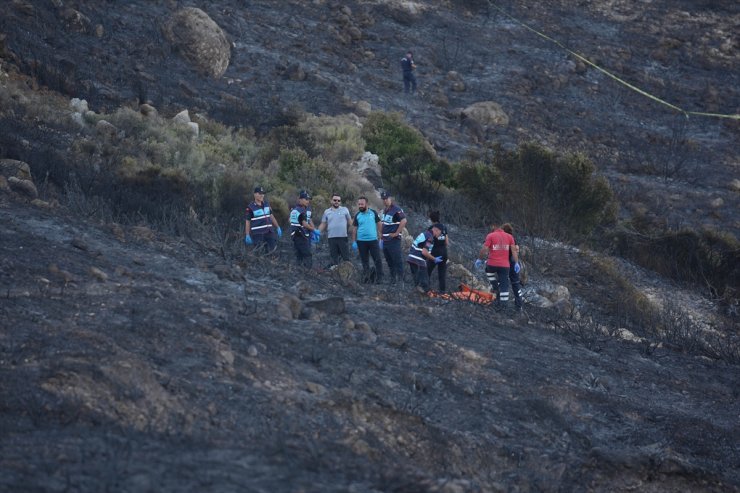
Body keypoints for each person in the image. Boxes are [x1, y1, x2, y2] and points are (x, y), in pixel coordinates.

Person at [475, 223, 520, 311]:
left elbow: (484, 249)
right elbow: (514, 251)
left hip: (492, 264)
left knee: (489, 271)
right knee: (504, 285)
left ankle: (495, 286)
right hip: (504, 266)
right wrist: (516, 262)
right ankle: (503, 307)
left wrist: (479, 259)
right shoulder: (509, 237)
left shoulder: (490, 235)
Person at [351, 196, 384, 283]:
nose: (360, 206)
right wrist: (354, 241)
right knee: (364, 260)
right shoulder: (357, 215)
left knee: (377, 259)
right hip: (361, 242)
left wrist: (381, 237)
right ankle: (367, 277)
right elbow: (354, 229)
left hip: (373, 241)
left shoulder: (373, 213)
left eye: (362, 204)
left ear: (367, 204)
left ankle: (380, 278)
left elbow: (379, 224)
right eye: (359, 204)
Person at [318, 193, 353, 266]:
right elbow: (323, 224)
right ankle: (335, 275)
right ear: (331, 201)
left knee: (346, 258)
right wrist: (317, 232)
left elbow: (350, 222)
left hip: (343, 238)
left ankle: (347, 275)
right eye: (335, 200)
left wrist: (357, 232)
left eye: (338, 200)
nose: (337, 202)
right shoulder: (327, 212)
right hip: (332, 238)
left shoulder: (345, 210)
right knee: (334, 259)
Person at [380, 191, 407, 284]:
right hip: (385, 240)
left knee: (397, 260)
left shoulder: (396, 209)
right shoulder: (385, 210)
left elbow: (404, 220)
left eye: (386, 199)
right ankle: (393, 280)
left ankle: (401, 281)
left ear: (390, 198)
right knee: (389, 261)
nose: (385, 201)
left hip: (393, 241)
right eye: (383, 199)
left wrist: (396, 233)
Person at [245, 186, 282, 254]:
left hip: (269, 232)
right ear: (255, 194)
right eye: (260, 193)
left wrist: (278, 227)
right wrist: (247, 234)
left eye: (263, 193)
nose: (262, 195)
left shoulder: (266, 204)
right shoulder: (250, 207)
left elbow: (271, 216)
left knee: (273, 252)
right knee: (260, 253)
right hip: (258, 234)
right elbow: (247, 221)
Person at [407, 225, 444, 293]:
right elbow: (424, 252)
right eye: (440, 233)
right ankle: (427, 299)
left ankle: (417, 298)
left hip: (411, 258)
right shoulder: (430, 238)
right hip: (418, 260)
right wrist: (434, 259)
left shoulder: (424, 234)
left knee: (417, 282)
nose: (440, 235)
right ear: (436, 230)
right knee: (425, 284)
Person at [289, 190, 317, 268]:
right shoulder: (297, 210)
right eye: (306, 199)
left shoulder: (307, 209)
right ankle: (306, 271)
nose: (308, 201)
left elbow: (309, 220)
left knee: (301, 255)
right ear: (300, 199)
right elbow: (304, 223)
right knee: (306, 254)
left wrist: (313, 229)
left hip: (306, 236)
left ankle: (301, 270)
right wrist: (313, 230)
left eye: (308, 199)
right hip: (299, 235)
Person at [501, 223, 524, 310]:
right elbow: (517, 250)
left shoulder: (502, 239)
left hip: (505, 263)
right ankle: (519, 305)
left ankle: (502, 304)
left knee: (503, 283)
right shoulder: (513, 239)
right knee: (515, 284)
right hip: (514, 263)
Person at [426, 211, 448, 292]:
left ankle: (426, 289)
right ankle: (442, 292)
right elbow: (446, 242)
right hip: (444, 252)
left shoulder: (431, 228)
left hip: (434, 253)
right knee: (442, 274)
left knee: (427, 272)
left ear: (431, 219)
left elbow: (428, 242)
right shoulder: (444, 227)